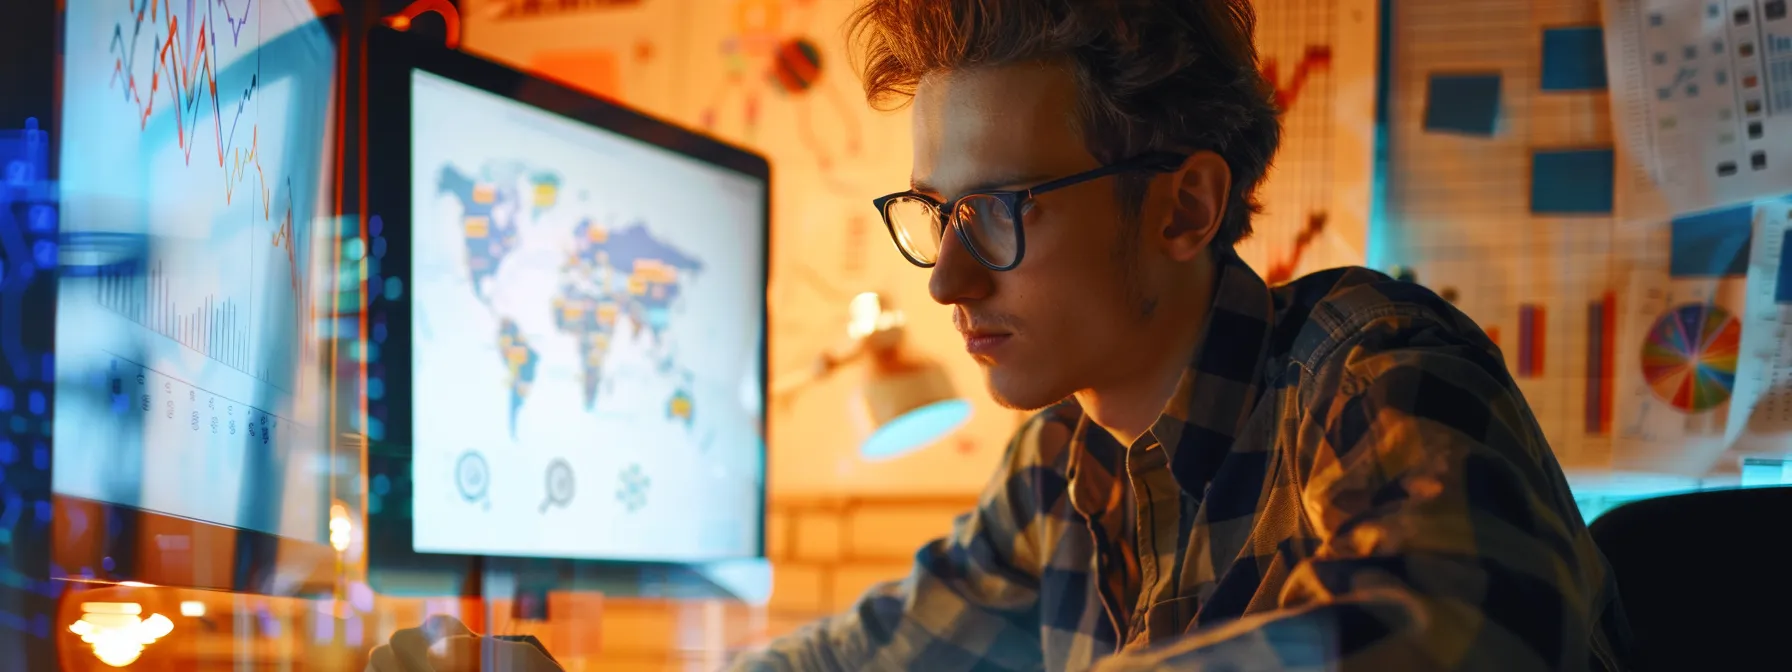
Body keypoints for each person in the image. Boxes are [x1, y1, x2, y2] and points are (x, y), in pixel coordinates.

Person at [370, 0, 1632, 670]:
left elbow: (1459, 637)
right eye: (935, 214)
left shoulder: (1368, 358)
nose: (948, 279)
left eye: (1000, 214)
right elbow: (849, 666)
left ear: (1184, 205)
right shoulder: (1058, 474)